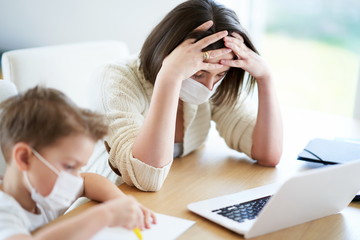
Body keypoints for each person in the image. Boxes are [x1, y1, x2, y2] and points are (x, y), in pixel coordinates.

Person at [99, 0, 283, 192]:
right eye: (199, 74)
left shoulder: (215, 85)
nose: (210, 87)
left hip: (176, 189)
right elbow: (146, 178)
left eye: (221, 74)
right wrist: (170, 77)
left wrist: (265, 78)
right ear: (167, 56)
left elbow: (268, 154)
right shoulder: (119, 78)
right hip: (115, 196)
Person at [0, 86, 156, 240]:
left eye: (78, 168)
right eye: (69, 166)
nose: (75, 179)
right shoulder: (4, 210)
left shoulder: (40, 191)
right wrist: (106, 215)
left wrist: (120, 201)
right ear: (24, 158)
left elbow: (88, 180)